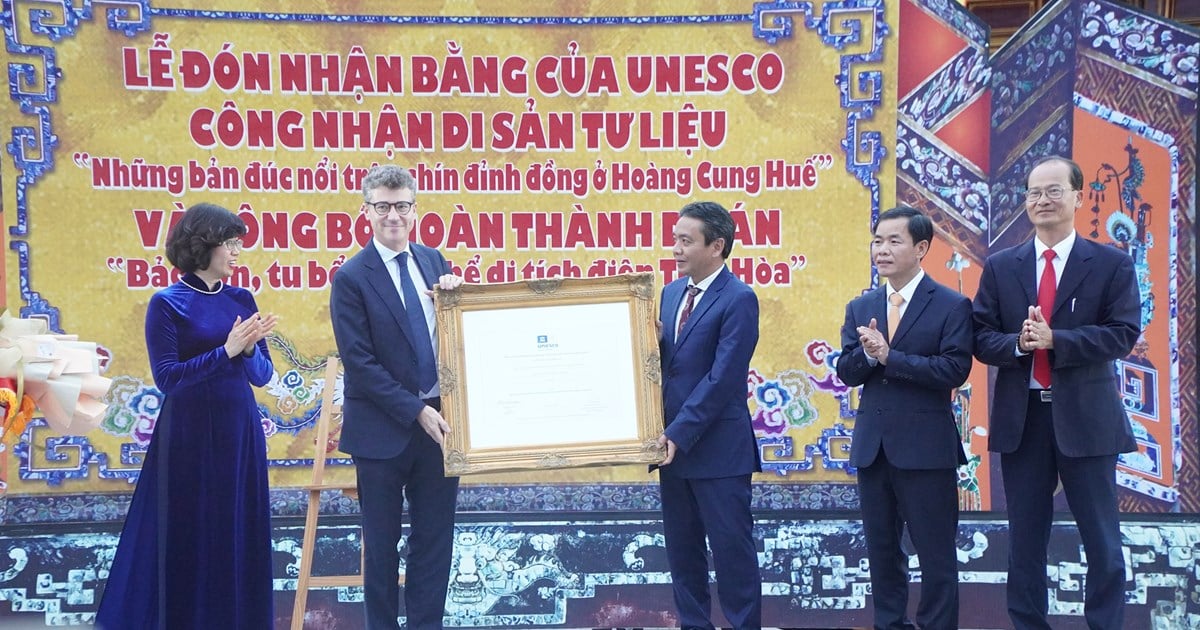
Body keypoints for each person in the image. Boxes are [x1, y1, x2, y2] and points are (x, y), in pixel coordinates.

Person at [973, 156, 1140, 630]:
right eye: (1033, 193)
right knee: (1025, 539)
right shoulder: (1003, 266)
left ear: (1077, 197)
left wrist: (1057, 341)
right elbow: (981, 335)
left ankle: (1105, 624)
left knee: (1102, 540)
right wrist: (1019, 343)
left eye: (1053, 191)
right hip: (1023, 420)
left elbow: (1122, 333)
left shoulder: (1109, 263)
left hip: (1087, 419)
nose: (1042, 201)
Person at [96, 203, 279, 629]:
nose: (237, 252)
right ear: (204, 245)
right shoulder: (166, 303)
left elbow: (262, 375)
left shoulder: (240, 298)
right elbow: (169, 379)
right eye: (230, 243)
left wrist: (249, 350)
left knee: (237, 531)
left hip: (239, 433)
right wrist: (226, 350)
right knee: (193, 535)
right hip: (190, 438)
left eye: (239, 243)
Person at [329, 164, 463, 629]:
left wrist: (457, 302)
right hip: (382, 434)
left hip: (440, 429)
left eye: (402, 206)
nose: (393, 216)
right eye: (382, 206)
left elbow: (454, 338)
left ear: (415, 209)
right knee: (381, 547)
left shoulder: (435, 261)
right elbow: (360, 364)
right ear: (365, 211)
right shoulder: (351, 277)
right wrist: (416, 411)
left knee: (434, 542)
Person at [836, 206, 972, 630]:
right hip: (874, 449)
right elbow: (845, 371)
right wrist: (867, 355)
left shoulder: (951, 304)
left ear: (921, 248)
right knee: (881, 550)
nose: (883, 249)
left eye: (894, 241)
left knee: (935, 554)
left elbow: (954, 370)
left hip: (926, 450)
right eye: (878, 240)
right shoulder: (862, 306)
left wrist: (890, 357)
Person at [656, 200, 762, 629]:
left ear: (716, 245)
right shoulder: (669, 293)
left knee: (732, 555)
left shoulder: (739, 298)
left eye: (686, 240)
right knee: (684, 557)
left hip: (717, 451)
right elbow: (668, 365)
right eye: (675, 239)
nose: (676, 249)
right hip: (672, 453)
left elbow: (722, 379)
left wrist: (678, 434)